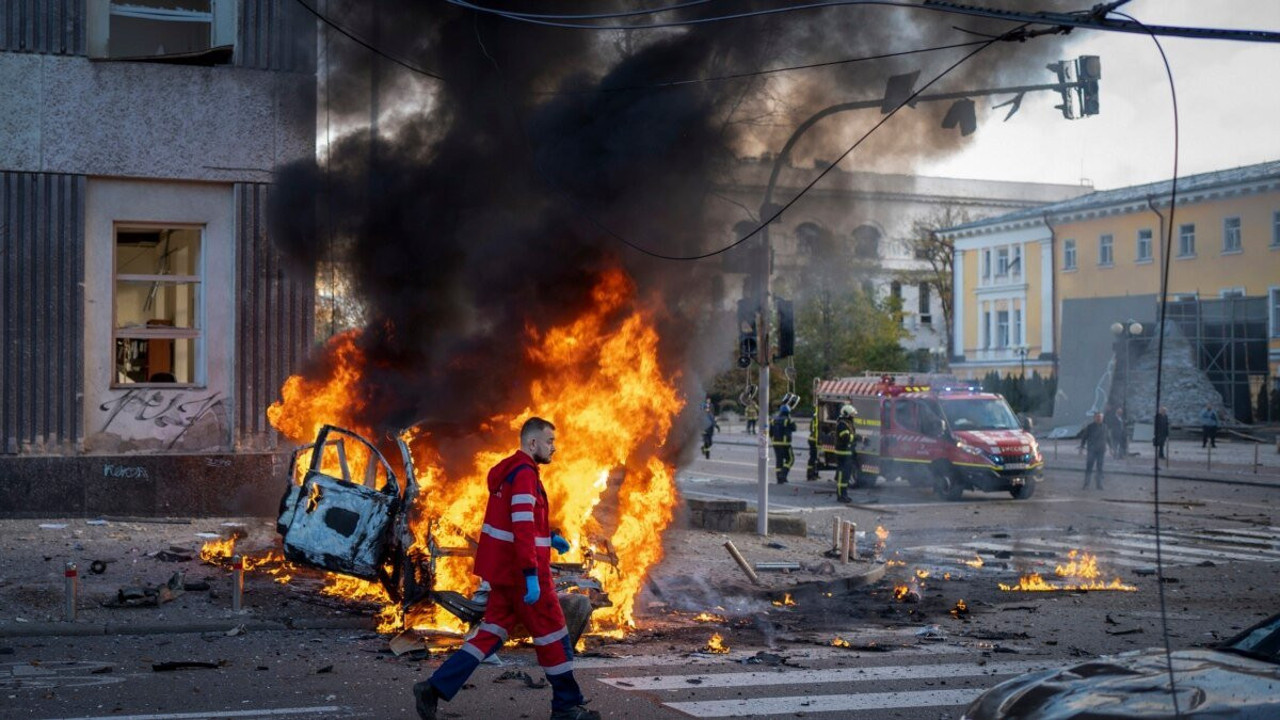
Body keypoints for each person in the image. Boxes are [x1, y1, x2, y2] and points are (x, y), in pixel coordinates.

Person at [413, 418, 599, 720]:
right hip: (525, 576)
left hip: (504, 575)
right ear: (532, 443)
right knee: (554, 636)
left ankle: (433, 688)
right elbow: (522, 526)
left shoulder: (509, 471)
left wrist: (549, 537)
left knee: (489, 634)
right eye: (550, 441)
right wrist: (531, 576)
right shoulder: (524, 474)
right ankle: (566, 707)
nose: (554, 447)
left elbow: (518, 521)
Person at [833, 404, 858, 503]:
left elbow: (851, 437)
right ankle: (841, 496)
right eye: (852, 414)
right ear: (847, 414)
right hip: (842, 454)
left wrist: (862, 439)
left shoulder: (847, 423)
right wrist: (857, 438)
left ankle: (844, 494)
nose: (853, 416)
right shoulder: (842, 425)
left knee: (846, 476)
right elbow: (846, 438)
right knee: (842, 476)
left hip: (847, 453)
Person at [1079, 412, 1109, 490]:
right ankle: (1086, 484)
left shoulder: (1105, 427)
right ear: (1094, 418)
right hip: (1092, 450)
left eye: (1100, 417)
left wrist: (1112, 448)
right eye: (1098, 417)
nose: (1099, 418)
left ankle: (1099, 484)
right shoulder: (1090, 427)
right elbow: (1084, 437)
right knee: (1089, 467)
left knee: (1100, 468)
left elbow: (1108, 438)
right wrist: (1081, 447)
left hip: (1101, 450)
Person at [769, 404, 797, 484]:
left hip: (775, 443)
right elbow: (794, 428)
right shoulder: (788, 420)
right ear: (788, 412)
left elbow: (770, 432)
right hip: (785, 443)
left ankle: (779, 478)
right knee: (790, 459)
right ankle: (783, 474)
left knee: (779, 460)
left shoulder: (773, 420)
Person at [805, 408, 821, 481]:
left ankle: (814, 474)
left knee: (815, 458)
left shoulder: (815, 417)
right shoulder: (817, 417)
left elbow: (811, 429)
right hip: (814, 440)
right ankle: (810, 475)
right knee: (813, 458)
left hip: (813, 439)